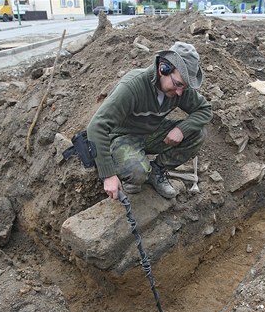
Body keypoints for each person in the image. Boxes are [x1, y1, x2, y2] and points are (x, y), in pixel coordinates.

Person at [87, 42, 212, 200]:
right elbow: (96, 127)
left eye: (185, 87)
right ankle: (128, 171)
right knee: (138, 174)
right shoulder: (133, 86)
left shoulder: (180, 90)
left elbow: (205, 109)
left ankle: (157, 170)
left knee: (197, 133)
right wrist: (108, 175)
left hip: (151, 133)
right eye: (178, 84)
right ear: (163, 69)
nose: (180, 92)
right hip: (123, 137)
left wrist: (182, 129)